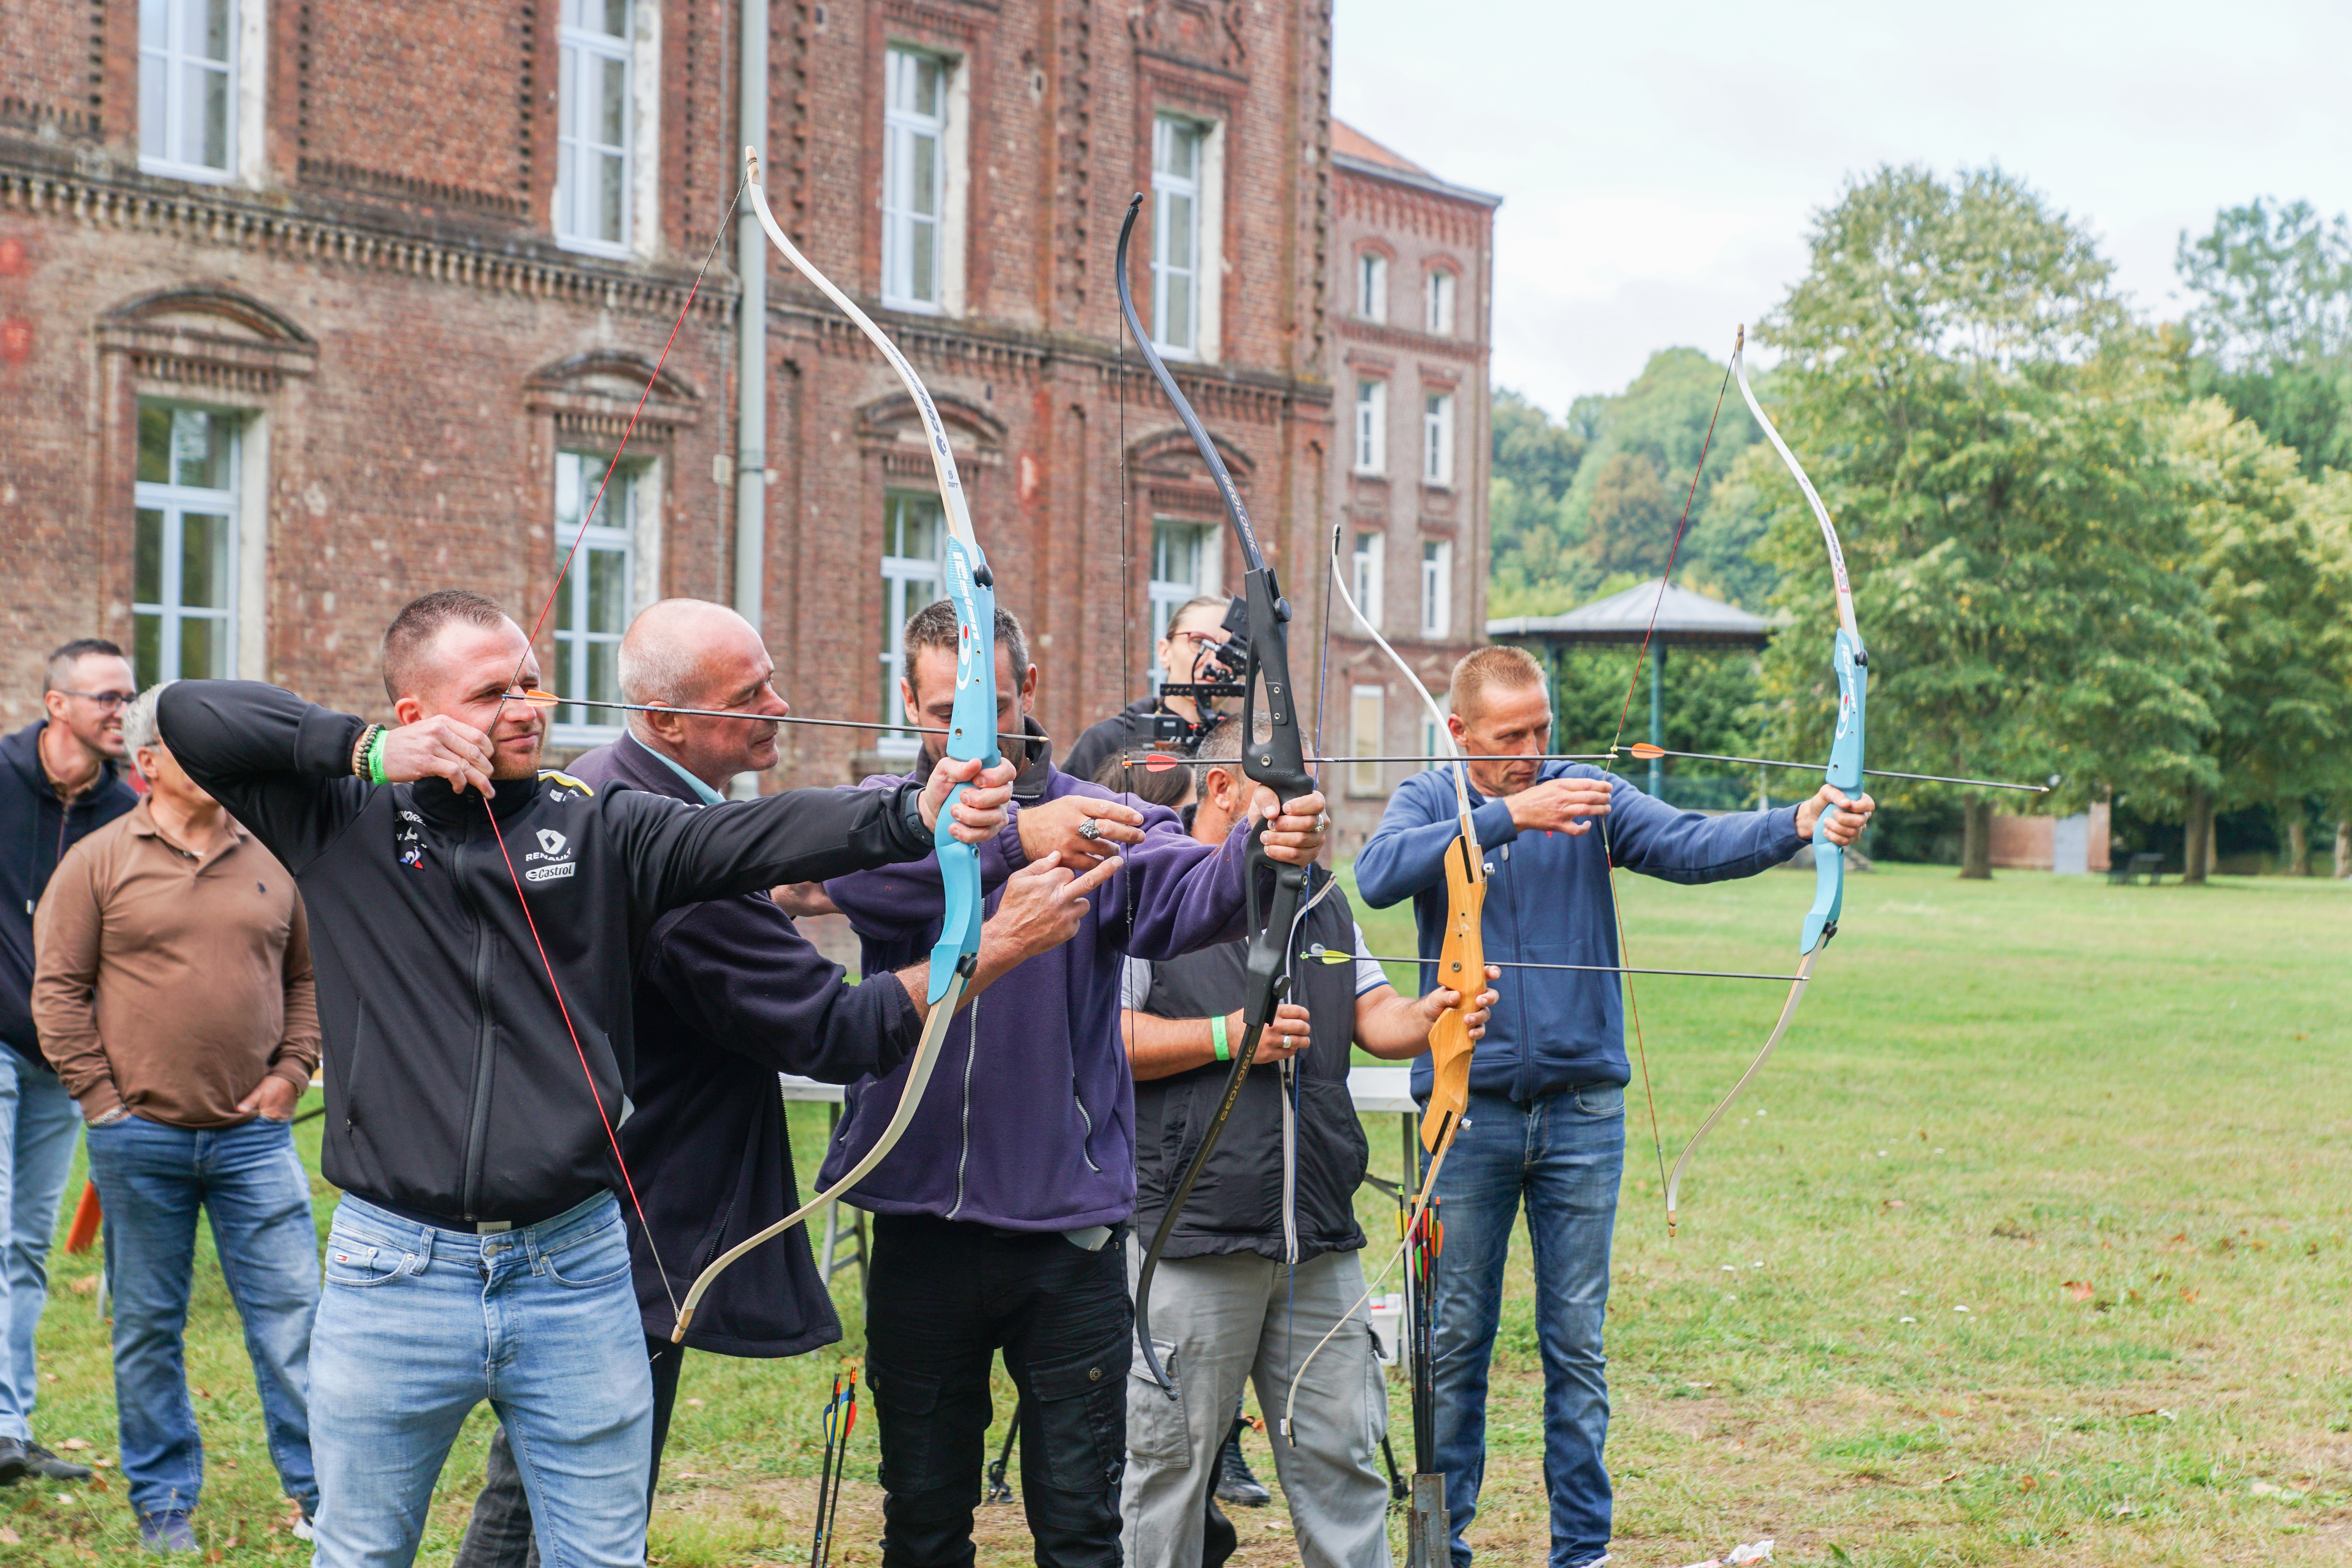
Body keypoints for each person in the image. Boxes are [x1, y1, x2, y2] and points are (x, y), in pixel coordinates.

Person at [153, 588, 1018, 1568]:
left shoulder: (602, 825)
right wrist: (362, 753)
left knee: (601, 1556)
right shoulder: (339, 818)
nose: (526, 705)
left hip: (574, 1265)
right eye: (490, 692)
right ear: (415, 716)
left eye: (530, 681)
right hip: (394, 1267)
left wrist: (915, 811)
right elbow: (189, 711)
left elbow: (758, 835)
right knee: (360, 1550)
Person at [452, 599, 1103, 1568]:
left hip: (598, 1202)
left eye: (771, 677)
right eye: (749, 693)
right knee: (562, 1503)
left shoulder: (613, 790)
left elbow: (785, 837)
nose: (782, 705)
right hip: (634, 1215)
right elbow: (831, 1029)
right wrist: (995, 941)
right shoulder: (650, 837)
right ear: (667, 719)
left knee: (564, 1485)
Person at [819, 602, 1329, 1568]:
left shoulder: (1099, 815)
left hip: (1068, 1235)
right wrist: (1019, 839)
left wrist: (1264, 848)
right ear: (908, 701)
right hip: (921, 1228)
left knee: (1083, 1526)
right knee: (923, 1521)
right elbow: (873, 879)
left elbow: (1191, 891)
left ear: (1029, 692)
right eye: (943, 713)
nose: (968, 733)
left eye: (992, 706)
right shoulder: (889, 813)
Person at [1354, 646, 1876, 1568]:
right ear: (1459, 733)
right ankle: (1443, 1551)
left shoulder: (1587, 793)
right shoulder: (1435, 802)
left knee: (1577, 1346)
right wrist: (1507, 815)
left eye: (1541, 731)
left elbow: (1690, 842)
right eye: (1509, 737)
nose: (1531, 751)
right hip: (1466, 1116)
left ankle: (1583, 1552)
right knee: (1453, 1343)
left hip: (1582, 1117)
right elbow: (1379, 875)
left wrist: (1802, 820)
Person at [1117, 719, 1497, 1568]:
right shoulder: (1150, 890)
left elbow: (1377, 1014)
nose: (1314, 810)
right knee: (1170, 1472)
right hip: (1196, 1232)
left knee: (1344, 1461)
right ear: (1225, 790)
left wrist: (1436, 1013)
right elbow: (1106, 1039)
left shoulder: (1321, 895)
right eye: (1294, 790)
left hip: (1318, 1234)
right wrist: (1228, 1037)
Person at [31, 684, 322, 1550]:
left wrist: (292, 1070)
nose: (220, 764)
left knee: (292, 1323)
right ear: (148, 762)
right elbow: (58, 990)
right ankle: (164, 1504)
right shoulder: (97, 860)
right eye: (198, 746)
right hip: (140, 1140)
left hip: (255, 1139)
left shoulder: (274, 857)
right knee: (150, 1327)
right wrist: (102, 1102)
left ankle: (321, 1493)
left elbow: (308, 977)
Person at [0, 638, 138, 1487]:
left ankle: (7, 1430)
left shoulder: (123, 807)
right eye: (106, 698)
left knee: (26, 1243)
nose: (122, 711)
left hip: (60, 1059)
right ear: (58, 704)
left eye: (128, 698)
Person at [1060, 596, 1241, 784]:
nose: (1215, 663)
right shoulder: (1105, 743)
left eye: (1229, 651)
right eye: (1199, 643)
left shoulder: (1246, 747)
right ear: (1164, 652)